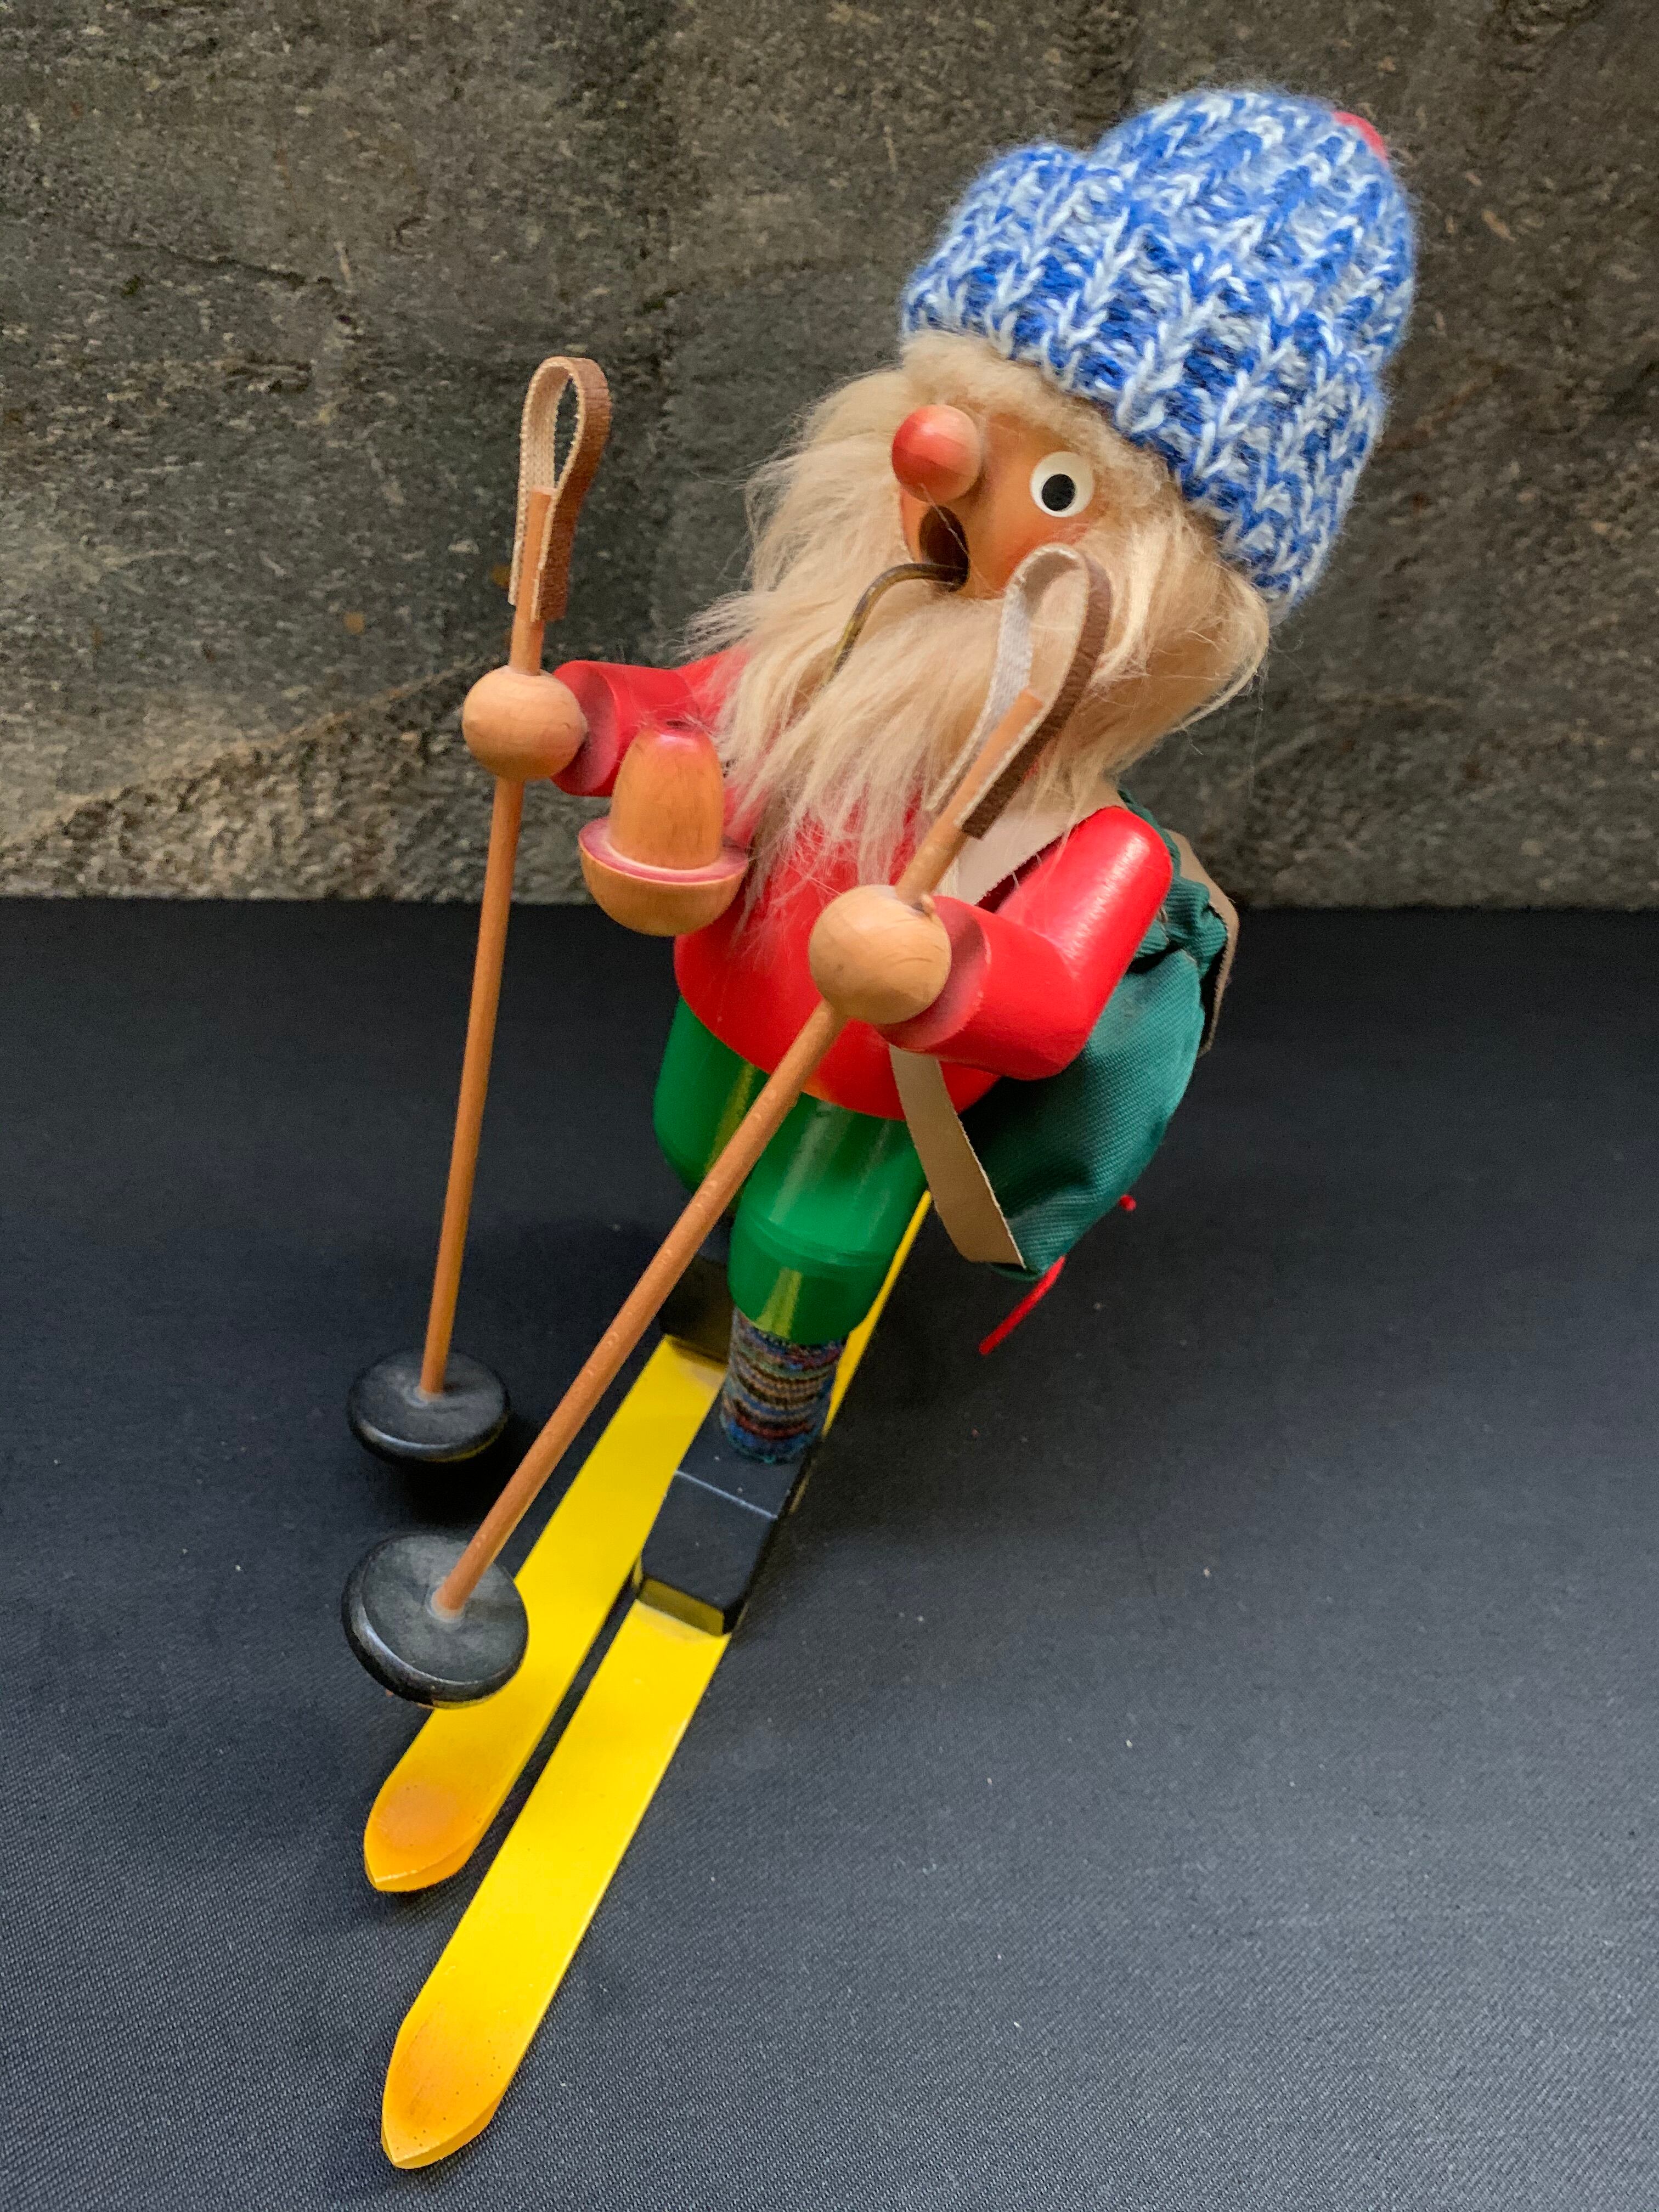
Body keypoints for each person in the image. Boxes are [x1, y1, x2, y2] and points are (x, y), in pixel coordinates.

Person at [466, 89, 1416, 1468]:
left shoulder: (1088, 842)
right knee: (693, 1137)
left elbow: (1046, 1007)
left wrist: (933, 968)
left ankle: (769, 1406)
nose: (936, 468)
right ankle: (708, 1283)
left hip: (874, 1085)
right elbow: (691, 714)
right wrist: (568, 721)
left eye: (1055, 488)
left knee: (814, 1235)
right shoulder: (820, 667)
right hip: (727, 1006)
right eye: (947, 420)